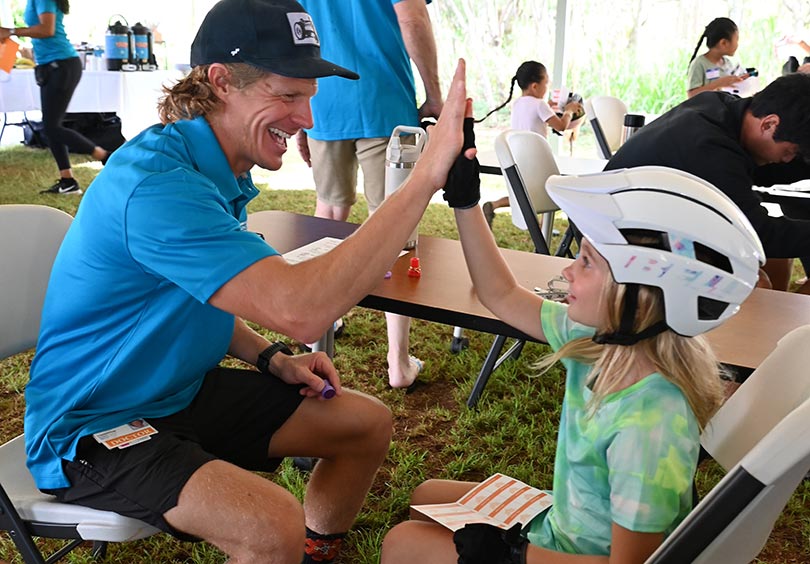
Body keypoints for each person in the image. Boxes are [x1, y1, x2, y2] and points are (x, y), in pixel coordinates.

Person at [23, 0, 471, 562]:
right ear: (220, 83)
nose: (306, 118)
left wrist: (269, 358)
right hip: (93, 426)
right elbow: (303, 309)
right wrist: (425, 177)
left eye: (308, 97)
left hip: (176, 393)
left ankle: (317, 552)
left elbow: (198, 297)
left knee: (365, 424)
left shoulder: (210, 167)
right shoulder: (159, 185)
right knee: (269, 523)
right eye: (288, 96)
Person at [381, 117, 765, 562]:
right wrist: (466, 202)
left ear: (637, 294)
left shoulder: (651, 425)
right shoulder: (602, 341)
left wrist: (514, 556)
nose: (567, 270)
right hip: (565, 520)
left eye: (585, 261)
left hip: (571, 552)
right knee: (426, 497)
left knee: (402, 543)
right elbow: (500, 295)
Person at [295, 0, 442, 389]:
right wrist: (434, 93)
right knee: (396, 226)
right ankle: (398, 362)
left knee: (327, 214)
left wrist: (297, 112)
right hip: (383, 97)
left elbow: (295, 33)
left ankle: (315, 336)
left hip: (322, 101)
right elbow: (411, 15)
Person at [606, 72, 810, 292]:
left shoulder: (719, 109)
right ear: (769, 124)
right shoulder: (709, 146)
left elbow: (756, 171)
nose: (789, 159)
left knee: (776, 262)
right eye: (790, 152)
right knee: (752, 281)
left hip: (653, 224)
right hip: (622, 242)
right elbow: (758, 234)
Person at [0, 0, 109, 195]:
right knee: (52, 126)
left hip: (61, 65)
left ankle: (104, 156)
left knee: (52, 127)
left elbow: (47, 30)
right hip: (54, 66)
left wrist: (11, 31)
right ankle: (68, 181)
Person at [476, 60, 583, 228]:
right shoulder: (540, 104)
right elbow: (562, 126)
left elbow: (533, 115)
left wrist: (549, 107)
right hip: (537, 159)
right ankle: (544, 229)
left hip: (517, 157)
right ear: (534, 86)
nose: (547, 88)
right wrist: (569, 111)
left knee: (526, 195)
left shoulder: (518, 103)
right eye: (546, 83)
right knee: (546, 192)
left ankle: (496, 206)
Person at [686, 17, 749, 99]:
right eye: (736, 39)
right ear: (723, 43)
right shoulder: (699, 63)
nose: (737, 44)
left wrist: (739, 80)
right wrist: (718, 84)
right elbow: (691, 95)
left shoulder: (728, 63)